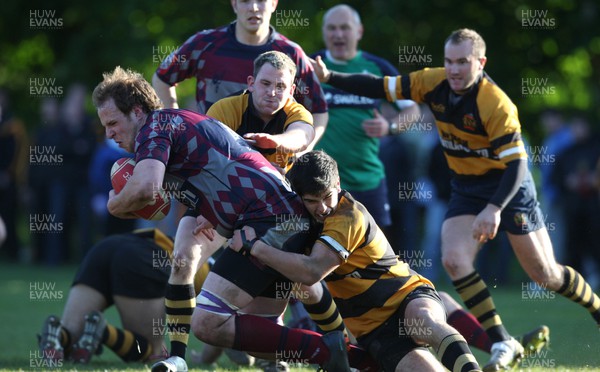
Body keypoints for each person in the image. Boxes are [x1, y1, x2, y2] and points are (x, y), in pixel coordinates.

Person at [311, 28, 600, 371]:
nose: (454, 69)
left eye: (463, 62)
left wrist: (494, 209)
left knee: (545, 275)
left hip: (509, 187)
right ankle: (503, 341)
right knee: (454, 260)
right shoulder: (432, 82)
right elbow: (380, 86)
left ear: (481, 62)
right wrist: (331, 76)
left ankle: (596, 308)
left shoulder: (495, 103)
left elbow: (518, 164)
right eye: (449, 61)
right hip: (466, 187)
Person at [92, 66, 348, 372]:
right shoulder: (174, 124)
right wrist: (213, 212)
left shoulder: (155, 127)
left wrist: (114, 204)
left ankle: (330, 349)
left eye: (112, 123)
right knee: (194, 266)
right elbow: (223, 173)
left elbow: (147, 188)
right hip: (271, 214)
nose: (109, 133)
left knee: (209, 321)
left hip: (269, 218)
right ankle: (349, 356)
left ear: (136, 111)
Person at [228, 151, 481, 371]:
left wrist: (255, 247)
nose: (323, 208)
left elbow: (312, 271)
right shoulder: (297, 219)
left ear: (337, 183)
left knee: (423, 320)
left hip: (407, 296)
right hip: (373, 331)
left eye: (327, 196)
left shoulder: (348, 216)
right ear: (299, 197)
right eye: (312, 201)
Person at [152, 0, 328, 146]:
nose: (253, 7)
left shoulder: (291, 53)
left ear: (274, 4)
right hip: (210, 151)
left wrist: (302, 151)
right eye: (245, 1)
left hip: (272, 163)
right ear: (234, 4)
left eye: (261, 1)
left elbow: (319, 110)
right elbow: (162, 78)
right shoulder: (204, 44)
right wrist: (175, 127)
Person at [310, 4, 419, 232]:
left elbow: (413, 111)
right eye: (331, 28)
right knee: (319, 253)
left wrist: (389, 127)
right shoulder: (308, 67)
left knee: (373, 256)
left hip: (367, 180)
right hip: (319, 183)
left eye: (345, 28)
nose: (338, 34)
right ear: (323, 32)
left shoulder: (377, 67)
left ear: (359, 31)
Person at [37, 229, 172, 364]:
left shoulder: (183, 231)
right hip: (142, 257)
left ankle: (58, 335)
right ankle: (104, 332)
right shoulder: (190, 250)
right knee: (154, 354)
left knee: (71, 342)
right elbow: (193, 323)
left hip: (105, 247)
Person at [207, 50, 314, 173]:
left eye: (280, 87)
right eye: (266, 83)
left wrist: (275, 142)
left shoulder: (296, 112)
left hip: (280, 187)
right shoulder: (224, 108)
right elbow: (210, 156)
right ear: (251, 83)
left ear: (291, 91)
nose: (272, 93)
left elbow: (303, 136)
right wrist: (259, 170)